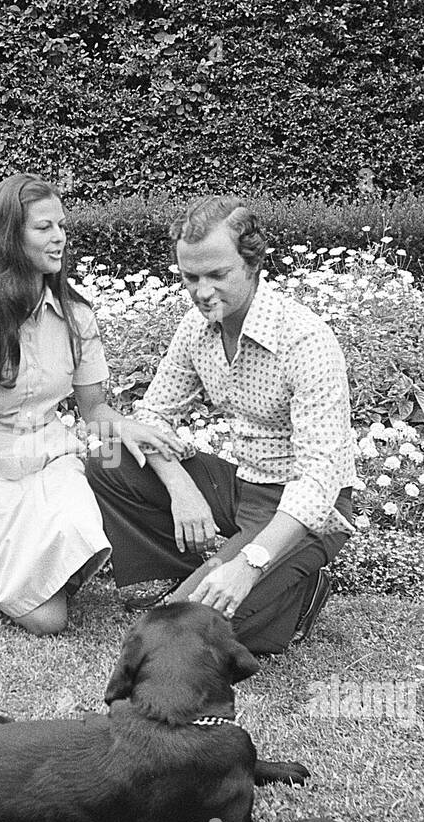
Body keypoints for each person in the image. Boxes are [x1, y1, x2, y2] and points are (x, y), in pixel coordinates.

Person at [85, 194, 357, 656]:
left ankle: (292, 592)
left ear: (253, 264)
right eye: (191, 277)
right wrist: (180, 487)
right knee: (106, 458)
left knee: (178, 637)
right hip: (239, 484)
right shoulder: (197, 328)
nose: (202, 291)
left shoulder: (304, 340)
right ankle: (199, 575)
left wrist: (249, 564)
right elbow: (152, 418)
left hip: (304, 509)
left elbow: (319, 481)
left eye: (217, 275)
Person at [0, 173, 183, 635]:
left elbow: (95, 412)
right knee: (48, 620)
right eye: (43, 228)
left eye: (61, 225)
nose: (60, 237)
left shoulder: (77, 316)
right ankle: (12, 563)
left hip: (53, 464)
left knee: (113, 466)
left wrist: (130, 433)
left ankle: (122, 562)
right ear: (9, 238)